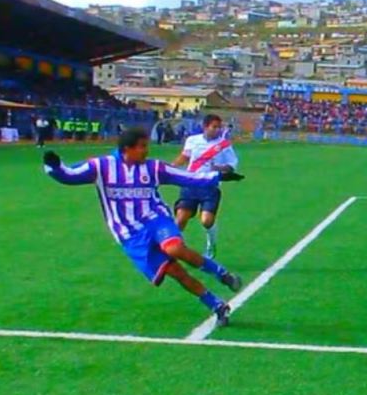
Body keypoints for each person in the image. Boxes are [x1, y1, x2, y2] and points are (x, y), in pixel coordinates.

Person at [42, 127, 245, 327]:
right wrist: (54, 165)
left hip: (155, 218)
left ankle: (222, 274)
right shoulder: (101, 166)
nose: (146, 151)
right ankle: (216, 305)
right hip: (129, 233)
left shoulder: (153, 168)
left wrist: (217, 177)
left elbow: (186, 176)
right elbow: (69, 175)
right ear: (126, 149)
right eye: (142, 147)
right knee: (176, 273)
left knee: (173, 248)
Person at [174, 115, 239, 259]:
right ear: (205, 126)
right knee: (180, 219)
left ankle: (211, 244)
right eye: (214, 127)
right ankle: (175, 249)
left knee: (206, 221)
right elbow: (184, 157)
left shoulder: (224, 145)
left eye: (219, 127)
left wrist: (219, 167)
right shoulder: (192, 141)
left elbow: (232, 166)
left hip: (210, 186)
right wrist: (170, 167)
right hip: (190, 183)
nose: (217, 130)